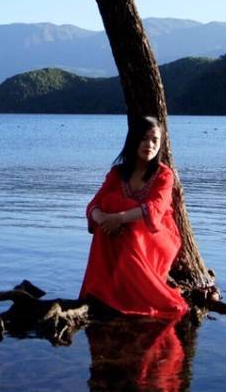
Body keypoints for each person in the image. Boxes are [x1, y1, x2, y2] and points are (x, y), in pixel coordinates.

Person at [80, 115, 188, 319]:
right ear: (133, 141)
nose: (149, 144)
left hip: (157, 237)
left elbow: (156, 208)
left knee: (115, 205)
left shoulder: (164, 175)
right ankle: (103, 291)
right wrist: (104, 218)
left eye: (155, 140)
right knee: (108, 205)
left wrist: (118, 217)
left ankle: (126, 294)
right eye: (143, 138)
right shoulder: (118, 173)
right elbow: (93, 205)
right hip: (126, 233)